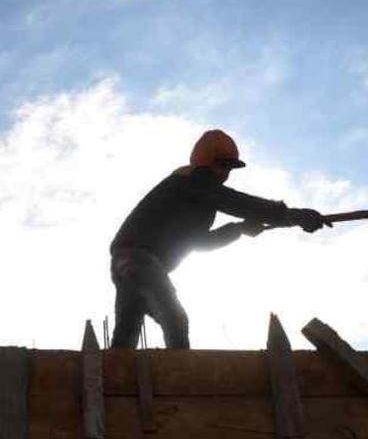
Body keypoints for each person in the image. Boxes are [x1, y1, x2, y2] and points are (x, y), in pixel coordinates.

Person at [109, 129, 328, 349]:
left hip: (130, 262)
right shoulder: (191, 182)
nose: (225, 174)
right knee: (175, 320)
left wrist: (239, 229)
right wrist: (289, 215)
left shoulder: (194, 200)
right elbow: (236, 202)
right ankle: (180, 377)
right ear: (204, 164)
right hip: (137, 260)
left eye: (229, 168)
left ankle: (114, 377)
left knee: (127, 333)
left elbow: (198, 242)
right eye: (221, 166)